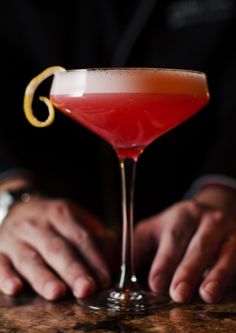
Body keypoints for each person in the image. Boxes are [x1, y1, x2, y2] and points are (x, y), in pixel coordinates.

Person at [0, 0, 236, 304]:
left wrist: (225, 189)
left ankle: (129, 283)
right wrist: (10, 199)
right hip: (57, 249)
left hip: (201, 251)